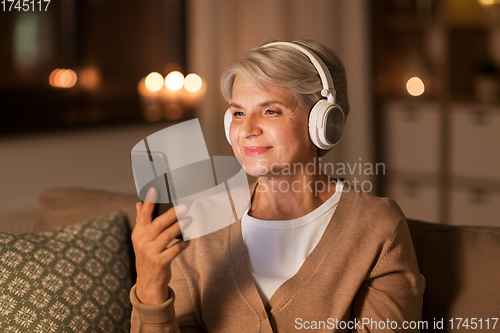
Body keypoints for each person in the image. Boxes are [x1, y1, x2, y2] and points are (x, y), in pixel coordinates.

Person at [129, 39, 425, 332]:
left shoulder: (375, 226)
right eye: (238, 113)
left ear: (323, 123)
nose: (246, 130)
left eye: (271, 111)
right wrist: (150, 288)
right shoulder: (201, 220)